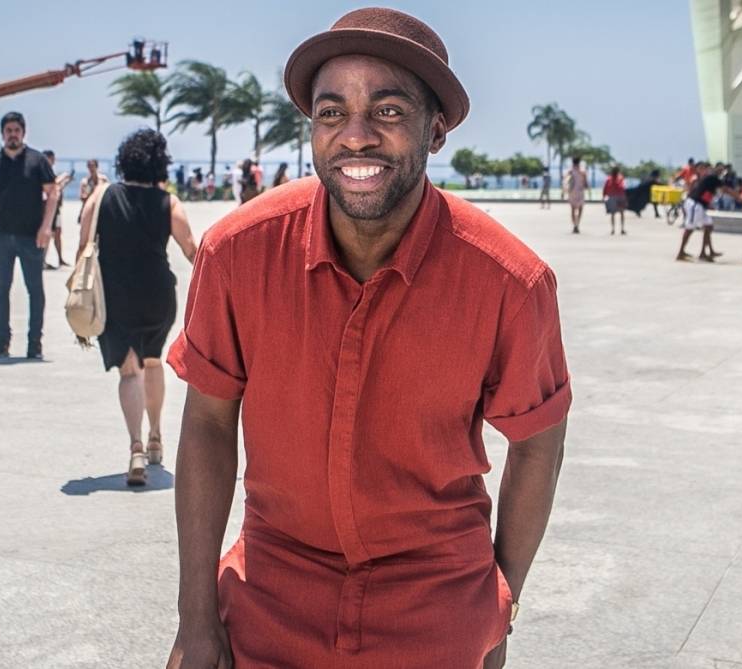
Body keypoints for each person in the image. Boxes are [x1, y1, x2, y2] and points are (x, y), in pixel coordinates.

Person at [165, 8, 569, 669]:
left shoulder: (510, 282)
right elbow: (208, 421)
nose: (355, 137)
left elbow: (538, 437)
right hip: (271, 594)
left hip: (435, 604)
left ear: (435, 130)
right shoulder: (236, 254)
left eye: (386, 111)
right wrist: (196, 617)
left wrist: (499, 605)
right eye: (331, 113)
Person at [79, 130, 197, 486]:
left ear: (124, 160)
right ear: (160, 163)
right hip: (159, 296)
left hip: (117, 296)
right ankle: (156, 436)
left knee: (130, 371)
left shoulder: (102, 196)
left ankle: (136, 450)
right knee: (152, 360)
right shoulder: (169, 202)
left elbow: (82, 246)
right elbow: (193, 250)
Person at [0, 112, 58, 360]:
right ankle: (2, 341)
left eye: (16, 130)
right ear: (2, 134)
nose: (12, 135)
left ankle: (34, 343)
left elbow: (53, 193)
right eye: (8, 130)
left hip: (31, 237)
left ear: (23, 133)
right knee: (1, 289)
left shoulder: (37, 160)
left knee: (35, 290)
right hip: (0, 236)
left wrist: (45, 227)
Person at [677, 162, 739, 262]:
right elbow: (725, 189)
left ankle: (705, 252)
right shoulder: (712, 177)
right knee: (689, 228)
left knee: (708, 226)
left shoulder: (712, 178)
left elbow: (707, 192)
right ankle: (680, 253)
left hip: (700, 205)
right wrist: (739, 197)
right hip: (695, 204)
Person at [42, 150, 73, 269]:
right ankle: (43, 260)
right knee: (48, 233)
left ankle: (60, 258)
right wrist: (63, 177)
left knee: (58, 233)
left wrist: (66, 182)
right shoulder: (45, 171)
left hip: (56, 207)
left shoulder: (50, 171)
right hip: (48, 207)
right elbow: (52, 185)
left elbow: (57, 189)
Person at [566, 155, 588, 233]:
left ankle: (574, 225)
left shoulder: (570, 171)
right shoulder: (582, 171)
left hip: (571, 191)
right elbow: (586, 183)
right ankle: (577, 224)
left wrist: (564, 191)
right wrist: (589, 191)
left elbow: (565, 182)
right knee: (580, 209)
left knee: (572, 209)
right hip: (580, 191)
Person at [603, 165, 627, 234]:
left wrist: (604, 196)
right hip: (615, 197)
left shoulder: (618, 178)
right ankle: (615, 229)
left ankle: (619, 229)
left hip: (616, 197)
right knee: (616, 213)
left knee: (618, 213)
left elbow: (622, 187)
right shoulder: (611, 179)